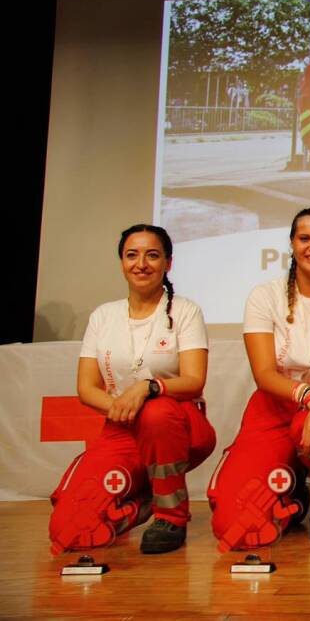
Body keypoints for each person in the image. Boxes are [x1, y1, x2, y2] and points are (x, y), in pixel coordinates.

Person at [49, 224, 215, 555]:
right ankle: (143, 502)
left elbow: (194, 380)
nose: (141, 264)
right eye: (132, 255)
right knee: (68, 531)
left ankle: (172, 516)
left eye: (152, 255)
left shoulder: (184, 311)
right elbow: (86, 388)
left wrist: (148, 387)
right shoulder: (103, 316)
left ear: (168, 263)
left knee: (155, 410)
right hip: (121, 429)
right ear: (122, 262)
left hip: (179, 425)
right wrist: (120, 409)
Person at [208, 208, 310, 549]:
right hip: (274, 405)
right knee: (233, 526)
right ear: (292, 244)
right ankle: (291, 486)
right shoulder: (264, 295)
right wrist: (309, 396)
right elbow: (264, 373)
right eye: (305, 238)